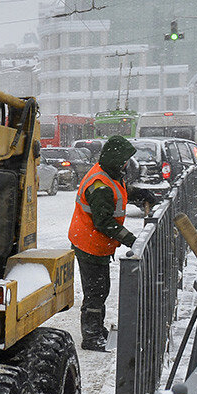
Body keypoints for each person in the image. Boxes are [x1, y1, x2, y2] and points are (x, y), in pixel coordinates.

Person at [67, 135, 138, 352]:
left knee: (100, 289)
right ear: (117, 160)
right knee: (95, 292)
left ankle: (96, 329)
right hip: (90, 245)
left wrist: (140, 194)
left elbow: (117, 199)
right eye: (125, 160)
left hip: (94, 243)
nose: (127, 164)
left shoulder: (108, 173)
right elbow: (103, 222)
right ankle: (91, 336)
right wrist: (130, 239)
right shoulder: (100, 185)